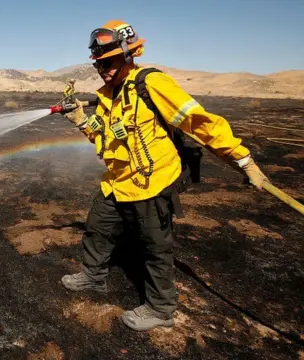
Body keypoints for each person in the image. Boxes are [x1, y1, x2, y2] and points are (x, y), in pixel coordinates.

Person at [59, 19, 269, 331]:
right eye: (99, 64)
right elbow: (103, 136)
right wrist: (80, 119)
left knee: (154, 247)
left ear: (129, 54)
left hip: (151, 182)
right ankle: (93, 276)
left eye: (109, 61)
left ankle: (160, 309)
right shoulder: (107, 95)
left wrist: (244, 161)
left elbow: (202, 124)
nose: (103, 69)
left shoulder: (153, 84)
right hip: (118, 181)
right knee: (98, 227)